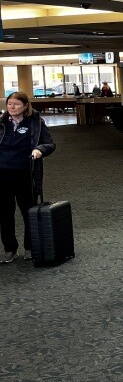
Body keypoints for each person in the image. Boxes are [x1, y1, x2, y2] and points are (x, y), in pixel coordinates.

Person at [0, 92, 55, 263]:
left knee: (28, 212)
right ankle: (10, 249)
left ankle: (30, 247)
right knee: (5, 214)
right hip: (2, 174)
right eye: (9, 104)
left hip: (26, 174)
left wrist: (40, 150)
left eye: (16, 104)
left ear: (25, 106)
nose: (12, 107)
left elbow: (50, 143)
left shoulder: (36, 122)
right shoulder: (1, 123)